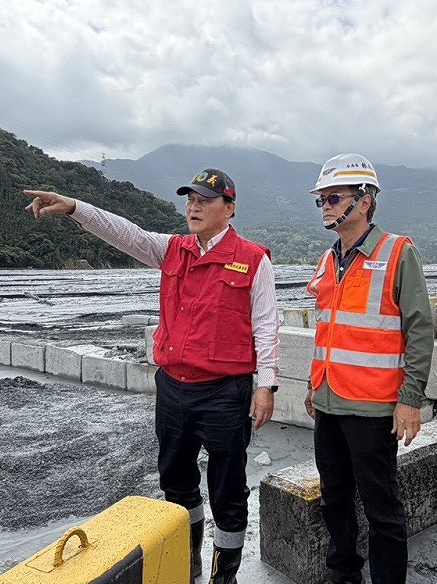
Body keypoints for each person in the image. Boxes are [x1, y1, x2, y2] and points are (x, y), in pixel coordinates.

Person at [23, 168, 280, 584]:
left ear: (229, 209)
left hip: (224, 393)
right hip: (174, 389)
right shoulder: (172, 249)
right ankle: (189, 561)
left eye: (205, 201)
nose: (193, 207)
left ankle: (224, 576)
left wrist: (265, 385)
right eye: (190, 200)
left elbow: (266, 326)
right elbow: (124, 233)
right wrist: (75, 208)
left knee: (228, 490)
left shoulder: (253, 259)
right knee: (176, 483)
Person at [303, 153, 434, 584]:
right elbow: (328, 330)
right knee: (334, 498)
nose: (325, 206)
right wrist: (313, 386)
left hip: (374, 407)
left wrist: (410, 400)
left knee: (382, 509)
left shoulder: (398, 253)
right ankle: (344, 574)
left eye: (333, 197)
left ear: (364, 201)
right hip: (328, 401)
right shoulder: (328, 259)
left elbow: (420, 330)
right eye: (321, 199)